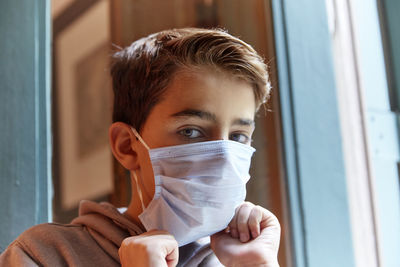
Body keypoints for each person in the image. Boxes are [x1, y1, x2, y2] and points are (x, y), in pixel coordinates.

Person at [0, 28, 280, 267]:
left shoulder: (241, 257)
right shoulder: (43, 255)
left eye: (239, 137)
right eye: (191, 131)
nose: (223, 159)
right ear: (127, 147)